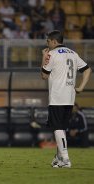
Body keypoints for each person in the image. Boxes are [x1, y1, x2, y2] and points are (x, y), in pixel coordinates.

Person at [41, 30, 92, 168]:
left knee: (57, 127)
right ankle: (58, 158)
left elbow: (44, 76)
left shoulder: (52, 54)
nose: (47, 43)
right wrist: (81, 87)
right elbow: (88, 70)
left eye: (48, 41)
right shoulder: (73, 53)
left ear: (54, 41)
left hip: (57, 95)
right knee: (61, 128)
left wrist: (43, 57)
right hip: (70, 96)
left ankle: (65, 159)